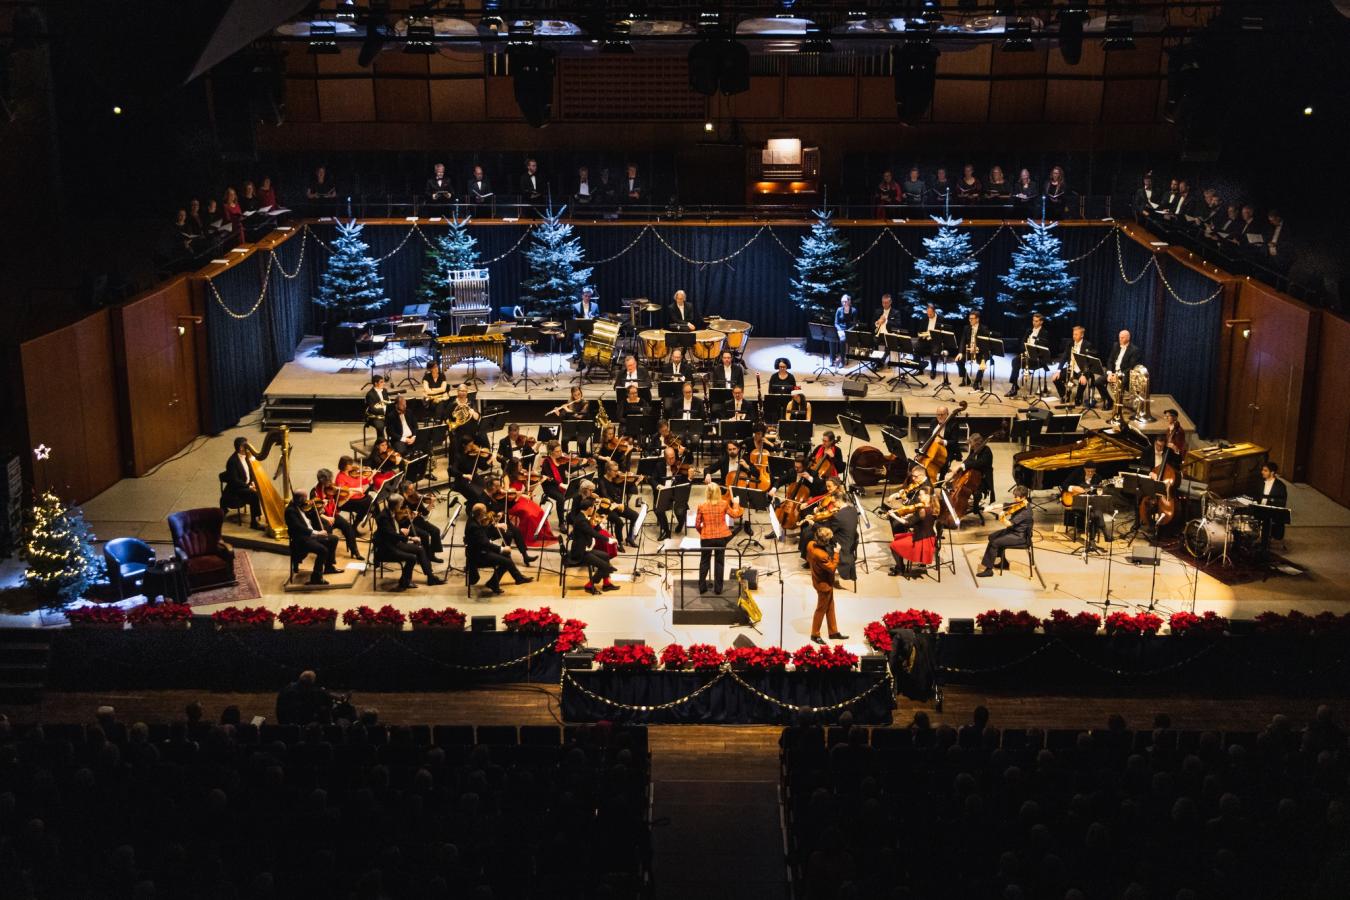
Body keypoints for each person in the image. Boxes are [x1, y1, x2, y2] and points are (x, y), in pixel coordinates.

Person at [373, 496, 444, 591]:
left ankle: (431, 577)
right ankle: (404, 581)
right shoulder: (383, 517)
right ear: (396, 505)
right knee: (412, 557)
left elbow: (391, 532)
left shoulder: (389, 512)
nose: (402, 506)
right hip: (387, 548)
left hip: (393, 543)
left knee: (420, 549)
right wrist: (409, 537)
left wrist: (401, 531)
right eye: (400, 504)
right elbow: (390, 534)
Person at [465, 503, 532, 595]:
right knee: (506, 561)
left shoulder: (473, 519)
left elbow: (484, 534)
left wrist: (493, 525)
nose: (486, 514)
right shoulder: (474, 527)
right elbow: (485, 543)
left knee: (506, 556)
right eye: (485, 512)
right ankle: (493, 583)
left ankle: (517, 578)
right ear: (480, 514)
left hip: (480, 550)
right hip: (479, 555)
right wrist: (502, 549)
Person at [694, 483, 742, 594]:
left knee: (704, 561)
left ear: (707, 493)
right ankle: (718, 589)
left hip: (706, 538)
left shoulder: (702, 505)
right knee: (719, 562)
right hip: (721, 537)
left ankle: (702, 588)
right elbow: (735, 515)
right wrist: (736, 504)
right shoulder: (724, 504)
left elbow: (697, 524)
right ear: (718, 493)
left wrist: (703, 533)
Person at [976, 485, 1033, 577]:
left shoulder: (1025, 511)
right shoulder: (1020, 503)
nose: (1014, 498)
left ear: (1024, 497)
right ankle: (1004, 562)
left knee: (995, 542)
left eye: (1016, 497)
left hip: (1019, 536)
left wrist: (1001, 516)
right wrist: (991, 507)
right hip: (1012, 531)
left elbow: (1009, 523)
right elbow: (1005, 505)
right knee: (992, 537)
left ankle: (989, 570)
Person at [285, 492, 340, 585]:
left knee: (333, 539)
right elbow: (299, 528)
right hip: (301, 539)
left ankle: (328, 567)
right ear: (300, 499)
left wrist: (319, 510)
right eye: (305, 498)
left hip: (310, 535)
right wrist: (317, 533)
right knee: (323, 550)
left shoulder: (302, 506)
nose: (307, 501)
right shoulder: (291, 511)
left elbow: (311, 516)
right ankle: (316, 578)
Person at [568, 497, 619, 594]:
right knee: (604, 566)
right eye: (593, 507)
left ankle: (606, 583)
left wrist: (597, 525)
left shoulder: (581, 517)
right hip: (580, 553)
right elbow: (593, 533)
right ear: (589, 508)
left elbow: (591, 530)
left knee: (606, 556)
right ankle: (589, 585)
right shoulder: (581, 521)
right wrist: (609, 540)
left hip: (584, 549)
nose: (594, 509)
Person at [309, 468, 362, 557]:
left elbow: (340, 490)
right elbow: (314, 512)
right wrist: (327, 518)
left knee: (347, 526)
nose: (331, 482)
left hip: (332, 514)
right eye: (329, 481)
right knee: (328, 529)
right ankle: (329, 556)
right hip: (321, 518)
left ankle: (354, 551)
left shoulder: (331, 487)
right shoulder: (314, 492)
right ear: (322, 481)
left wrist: (352, 492)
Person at [806, 527, 845, 644]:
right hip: (823, 584)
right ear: (825, 541)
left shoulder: (810, 544)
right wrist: (837, 553)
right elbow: (832, 568)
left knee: (830, 606)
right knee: (821, 609)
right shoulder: (822, 555)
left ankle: (833, 632)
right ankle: (815, 634)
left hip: (820, 579)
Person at [888, 485, 937, 577]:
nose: (919, 497)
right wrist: (912, 517)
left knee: (893, 545)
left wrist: (893, 515)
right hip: (929, 538)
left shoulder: (922, 510)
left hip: (921, 541)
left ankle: (900, 568)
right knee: (899, 539)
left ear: (927, 496)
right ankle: (900, 567)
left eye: (921, 495)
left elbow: (907, 523)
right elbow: (923, 520)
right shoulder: (933, 506)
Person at [221, 436, 263, 529]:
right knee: (254, 495)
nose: (249, 447)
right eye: (246, 446)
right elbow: (235, 481)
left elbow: (250, 473)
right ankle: (254, 523)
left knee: (257, 492)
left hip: (244, 486)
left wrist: (252, 482)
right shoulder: (232, 462)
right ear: (241, 448)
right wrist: (248, 487)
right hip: (235, 490)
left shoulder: (247, 457)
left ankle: (255, 518)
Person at [1051, 324, 1096, 407]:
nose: (1074, 336)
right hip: (1071, 368)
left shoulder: (1087, 345)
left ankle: (1078, 398)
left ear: (1082, 335)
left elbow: (1088, 362)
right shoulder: (1070, 343)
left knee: (1083, 381)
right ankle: (1065, 395)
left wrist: (1084, 375)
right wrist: (1058, 370)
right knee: (1055, 378)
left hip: (1081, 370)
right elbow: (1064, 357)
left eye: (1076, 334)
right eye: (1073, 334)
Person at [1007, 312, 1049, 397]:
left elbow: (1042, 347)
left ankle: (1015, 387)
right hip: (1027, 355)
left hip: (1037, 358)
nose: (1034, 323)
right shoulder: (1029, 330)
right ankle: (1014, 386)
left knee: (1019, 362)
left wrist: (1032, 348)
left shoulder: (1044, 333)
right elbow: (1022, 343)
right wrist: (1025, 348)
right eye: (1033, 321)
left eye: (1036, 321)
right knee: (1015, 361)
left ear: (1041, 322)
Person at [654, 444, 691, 540]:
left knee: (679, 510)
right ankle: (666, 531)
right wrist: (658, 485)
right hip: (664, 491)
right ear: (665, 458)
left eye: (673, 457)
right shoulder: (659, 465)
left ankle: (681, 522)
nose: (672, 460)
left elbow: (686, 483)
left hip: (676, 491)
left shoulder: (679, 464)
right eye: (669, 458)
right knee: (658, 509)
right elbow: (652, 479)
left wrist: (690, 478)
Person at [1103, 329, 1143, 409]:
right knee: (1098, 382)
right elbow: (1110, 360)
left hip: (1124, 374)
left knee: (1121, 384)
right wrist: (1110, 372)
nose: (1120, 339)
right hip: (1113, 373)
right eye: (1119, 337)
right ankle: (1110, 400)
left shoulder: (1134, 350)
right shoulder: (1116, 345)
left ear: (1128, 338)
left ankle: (1119, 405)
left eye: (1122, 338)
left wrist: (1118, 376)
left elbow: (1131, 367)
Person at [1257, 461, 1289, 545]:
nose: (1262, 472)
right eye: (1262, 470)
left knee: (1266, 519)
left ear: (1272, 472)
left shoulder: (1280, 486)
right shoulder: (1260, 483)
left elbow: (1282, 502)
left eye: (1265, 470)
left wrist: (1269, 503)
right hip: (1258, 508)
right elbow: (1256, 496)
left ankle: (1264, 544)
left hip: (1270, 511)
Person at [955, 310, 987, 390]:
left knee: (983, 363)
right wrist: (960, 352)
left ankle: (977, 382)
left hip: (980, 352)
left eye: (972, 319)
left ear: (977, 319)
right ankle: (966, 379)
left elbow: (985, 343)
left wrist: (977, 348)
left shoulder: (983, 328)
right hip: (969, 350)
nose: (970, 320)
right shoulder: (967, 328)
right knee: (959, 359)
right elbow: (963, 341)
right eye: (969, 319)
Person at [916, 303, 943, 378]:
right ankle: (920, 368)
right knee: (916, 348)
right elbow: (920, 331)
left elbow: (943, 333)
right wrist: (922, 335)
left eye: (930, 314)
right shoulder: (924, 319)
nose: (929, 315)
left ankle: (933, 369)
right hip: (925, 340)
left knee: (934, 352)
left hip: (936, 341)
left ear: (934, 312)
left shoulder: (941, 319)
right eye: (928, 314)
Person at [832, 294, 857, 367]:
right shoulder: (839, 310)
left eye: (845, 301)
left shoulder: (854, 310)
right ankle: (832, 359)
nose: (844, 303)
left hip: (848, 331)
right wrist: (840, 330)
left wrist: (847, 331)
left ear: (849, 301)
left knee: (842, 340)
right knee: (830, 337)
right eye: (842, 302)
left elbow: (854, 325)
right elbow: (836, 323)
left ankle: (842, 361)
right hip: (839, 330)